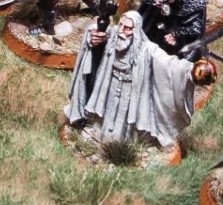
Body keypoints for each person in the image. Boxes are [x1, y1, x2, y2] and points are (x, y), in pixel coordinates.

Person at [66, 9, 204, 153]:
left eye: (127, 28)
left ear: (136, 30)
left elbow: (169, 64)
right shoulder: (113, 37)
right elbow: (95, 31)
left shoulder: (147, 49)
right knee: (106, 111)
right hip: (110, 85)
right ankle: (100, 131)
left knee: (126, 117)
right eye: (120, 25)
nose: (121, 31)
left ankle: (123, 144)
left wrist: (191, 71)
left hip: (130, 90)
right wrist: (93, 35)